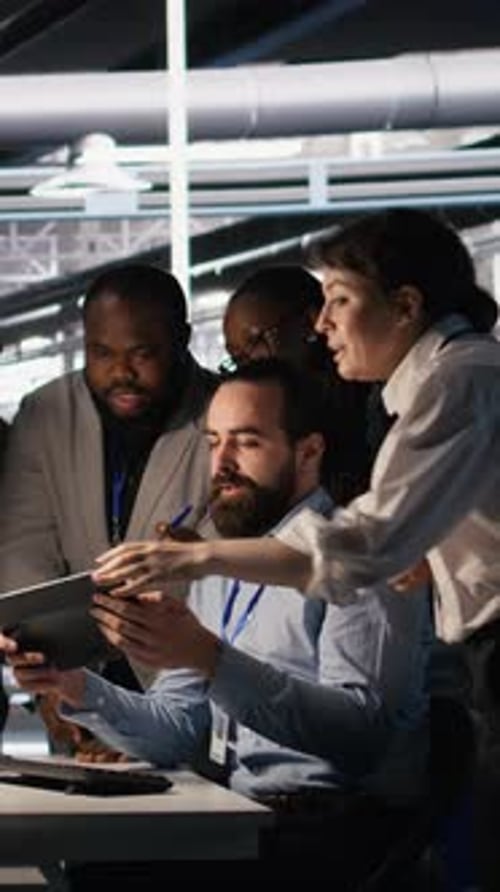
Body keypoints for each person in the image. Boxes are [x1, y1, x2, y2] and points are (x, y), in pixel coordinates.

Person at [4, 360, 431, 878]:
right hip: (248, 819)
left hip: (335, 831)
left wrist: (207, 657)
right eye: (212, 442)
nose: (222, 463)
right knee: (90, 867)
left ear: (308, 451)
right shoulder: (220, 566)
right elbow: (178, 731)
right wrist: (72, 685)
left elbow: (361, 737)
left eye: (246, 442)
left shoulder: (359, 560)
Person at [0, 262, 218, 755]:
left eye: (142, 353)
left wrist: (140, 717)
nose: (121, 372)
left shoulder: (224, 414)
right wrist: (60, 689)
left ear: (181, 338)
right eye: (100, 353)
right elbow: (25, 550)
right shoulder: (45, 412)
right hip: (73, 686)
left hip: (188, 689)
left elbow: (223, 573)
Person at [222, 263, 389, 501]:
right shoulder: (276, 418)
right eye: (237, 358)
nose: (251, 366)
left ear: (312, 322)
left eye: (257, 341)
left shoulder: (376, 402)